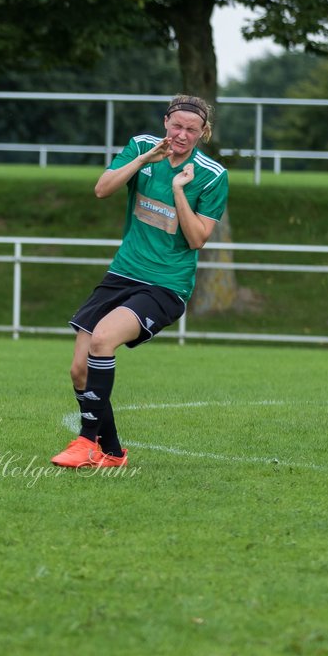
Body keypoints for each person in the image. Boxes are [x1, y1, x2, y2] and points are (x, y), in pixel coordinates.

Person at [51, 94, 229, 469]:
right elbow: (102, 189)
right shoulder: (142, 147)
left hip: (166, 285)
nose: (181, 135)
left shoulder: (212, 176)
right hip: (121, 274)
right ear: (166, 121)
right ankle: (113, 453)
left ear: (203, 133)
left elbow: (197, 238)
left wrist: (180, 190)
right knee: (79, 369)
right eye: (176, 125)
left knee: (102, 339)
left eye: (191, 130)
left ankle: (85, 442)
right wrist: (143, 161)